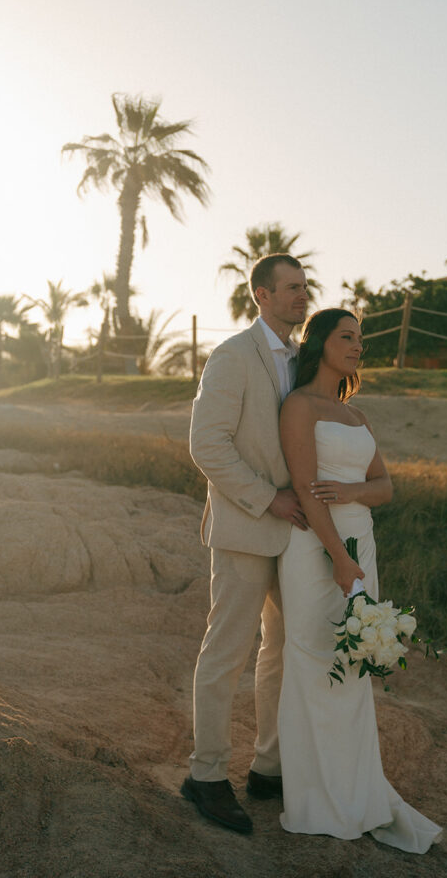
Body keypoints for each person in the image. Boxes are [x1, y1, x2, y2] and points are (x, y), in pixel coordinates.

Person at [277, 307, 443, 852]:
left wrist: (349, 494)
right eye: (347, 336)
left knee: (351, 665)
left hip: (360, 544)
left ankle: (358, 793)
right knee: (314, 659)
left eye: (361, 339)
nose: (357, 346)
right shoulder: (298, 407)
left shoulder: (357, 416)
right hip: (314, 549)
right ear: (319, 341)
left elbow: (385, 487)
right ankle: (315, 800)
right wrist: (336, 558)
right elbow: (305, 490)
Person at [181, 253, 309, 834]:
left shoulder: (305, 360)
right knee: (227, 651)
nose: (299, 297)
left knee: (283, 650)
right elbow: (207, 445)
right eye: (288, 289)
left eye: (304, 288)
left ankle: (268, 767)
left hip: (297, 532)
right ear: (260, 294)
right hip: (244, 524)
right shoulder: (233, 356)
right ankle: (205, 776)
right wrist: (267, 498)